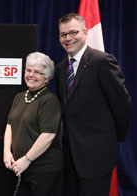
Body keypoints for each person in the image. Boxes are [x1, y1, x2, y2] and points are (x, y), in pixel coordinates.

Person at [56, 13, 132, 196]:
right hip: (70, 157)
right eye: (63, 34)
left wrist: (110, 140)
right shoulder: (60, 68)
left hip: (97, 156)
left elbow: (123, 105)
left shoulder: (102, 62)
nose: (68, 38)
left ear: (85, 32)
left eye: (73, 32)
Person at [3, 52, 63, 196]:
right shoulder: (19, 97)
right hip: (20, 168)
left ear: (46, 78)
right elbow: (10, 125)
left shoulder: (49, 101)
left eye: (37, 72)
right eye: (29, 70)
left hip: (44, 171)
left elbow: (48, 135)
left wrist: (26, 159)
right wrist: (6, 152)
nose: (31, 75)